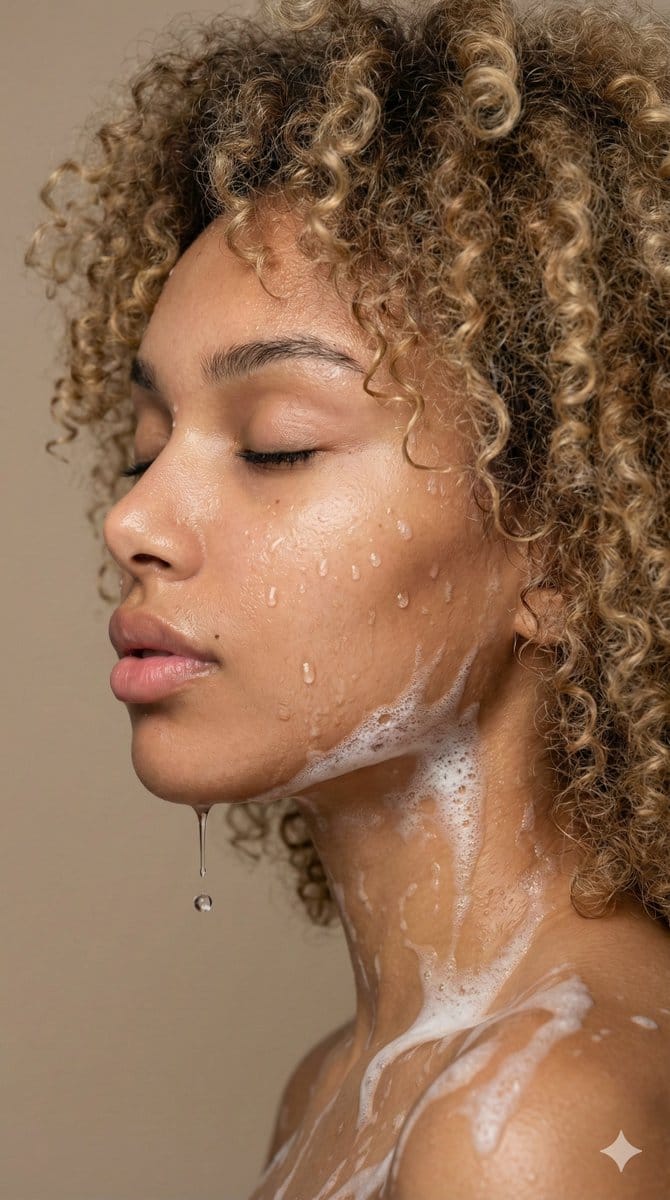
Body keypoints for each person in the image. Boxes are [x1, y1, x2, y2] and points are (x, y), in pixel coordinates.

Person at [26, 0, 670, 1194]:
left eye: (274, 445)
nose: (134, 522)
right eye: (143, 445)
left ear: (565, 549)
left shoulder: (532, 1122)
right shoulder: (343, 1086)